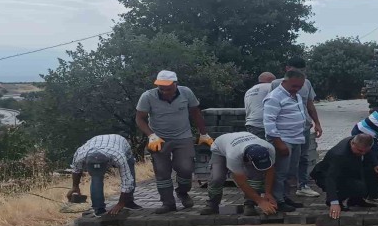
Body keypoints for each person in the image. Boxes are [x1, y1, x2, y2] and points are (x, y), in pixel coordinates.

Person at [135, 70, 213, 214]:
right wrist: (151, 135)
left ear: (176, 84)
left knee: (186, 168)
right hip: (159, 139)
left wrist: (203, 133)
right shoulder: (148, 96)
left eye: (168, 88)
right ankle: (168, 203)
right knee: (162, 171)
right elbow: (139, 118)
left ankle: (182, 192)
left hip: (183, 137)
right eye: (161, 88)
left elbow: (195, 112)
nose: (164, 91)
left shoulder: (186, 93)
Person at [270, 57, 322, 198]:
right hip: (284, 131)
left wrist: (317, 122)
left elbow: (309, 104)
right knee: (283, 164)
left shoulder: (306, 83)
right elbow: (270, 112)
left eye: (302, 71)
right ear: (287, 69)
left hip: (302, 128)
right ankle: (279, 196)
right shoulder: (276, 84)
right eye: (296, 70)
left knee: (302, 158)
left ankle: (302, 185)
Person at [199, 132, 277, 216]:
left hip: (241, 143)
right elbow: (242, 182)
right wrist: (260, 201)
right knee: (216, 178)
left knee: (256, 176)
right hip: (220, 148)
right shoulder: (233, 155)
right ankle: (212, 204)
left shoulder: (269, 149)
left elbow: (270, 171)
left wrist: (268, 193)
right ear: (249, 160)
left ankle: (250, 204)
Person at [310, 134, 378, 220]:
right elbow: (331, 178)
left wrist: (376, 164)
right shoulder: (339, 155)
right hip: (325, 175)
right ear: (352, 144)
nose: (363, 154)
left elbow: (369, 152)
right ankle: (336, 200)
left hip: (347, 170)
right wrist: (334, 202)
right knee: (358, 187)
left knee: (376, 172)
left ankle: (356, 200)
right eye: (360, 151)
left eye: (365, 151)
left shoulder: (360, 142)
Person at [263, 68, 308, 213]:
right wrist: (278, 142)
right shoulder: (274, 97)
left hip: (296, 138)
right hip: (283, 139)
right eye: (294, 86)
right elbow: (268, 122)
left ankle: (285, 196)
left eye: (299, 87)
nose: (296, 89)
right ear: (284, 82)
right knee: (280, 172)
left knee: (291, 172)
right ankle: (278, 200)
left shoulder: (297, 96)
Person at [67, 134, 142, 216]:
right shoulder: (80, 155)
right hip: (96, 142)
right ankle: (98, 209)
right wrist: (75, 186)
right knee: (96, 178)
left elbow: (127, 180)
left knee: (130, 173)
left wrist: (120, 203)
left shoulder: (119, 156)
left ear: (107, 164)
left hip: (120, 142)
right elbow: (76, 170)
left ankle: (128, 202)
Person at [244, 72, 276, 137]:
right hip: (263, 125)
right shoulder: (270, 87)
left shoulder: (249, 90)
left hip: (251, 124)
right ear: (272, 80)